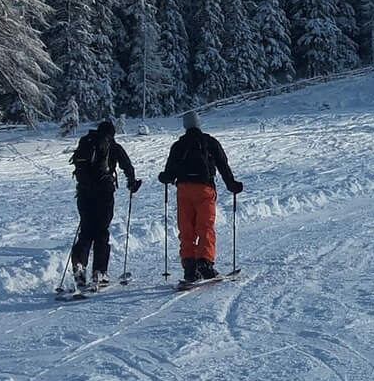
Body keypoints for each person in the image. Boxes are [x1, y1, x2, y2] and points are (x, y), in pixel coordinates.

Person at [157, 110, 244, 281]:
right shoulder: (210, 142)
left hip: (183, 190)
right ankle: (205, 263)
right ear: (199, 123)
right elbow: (223, 165)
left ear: (185, 125)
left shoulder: (178, 145)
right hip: (205, 189)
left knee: (186, 228)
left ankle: (189, 267)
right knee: (205, 227)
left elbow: (169, 173)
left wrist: (164, 178)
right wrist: (232, 185)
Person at [68, 118, 140, 288]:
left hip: (84, 193)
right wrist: (132, 183)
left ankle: (79, 262)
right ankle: (99, 272)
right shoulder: (113, 146)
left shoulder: (86, 142)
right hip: (104, 193)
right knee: (101, 231)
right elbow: (127, 166)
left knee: (86, 229)